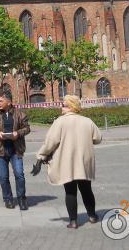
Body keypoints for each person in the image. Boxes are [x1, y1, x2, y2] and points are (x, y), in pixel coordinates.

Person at [35, 95, 102, 229]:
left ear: (72, 106)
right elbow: (98, 138)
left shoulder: (60, 122)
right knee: (86, 190)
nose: (61, 107)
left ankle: (73, 221)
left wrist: (41, 155)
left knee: (70, 191)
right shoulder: (87, 121)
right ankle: (93, 216)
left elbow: (50, 143)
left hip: (67, 162)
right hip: (84, 161)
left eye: (64, 105)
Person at [0, 89, 30, 210]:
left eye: (1, 101)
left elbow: (27, 128)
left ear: (9, 102)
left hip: (16, 149)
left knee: (19, 175)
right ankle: (8, 199)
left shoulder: (20, 114)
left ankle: (21, 199)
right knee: (4, 177)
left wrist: (18, 133)